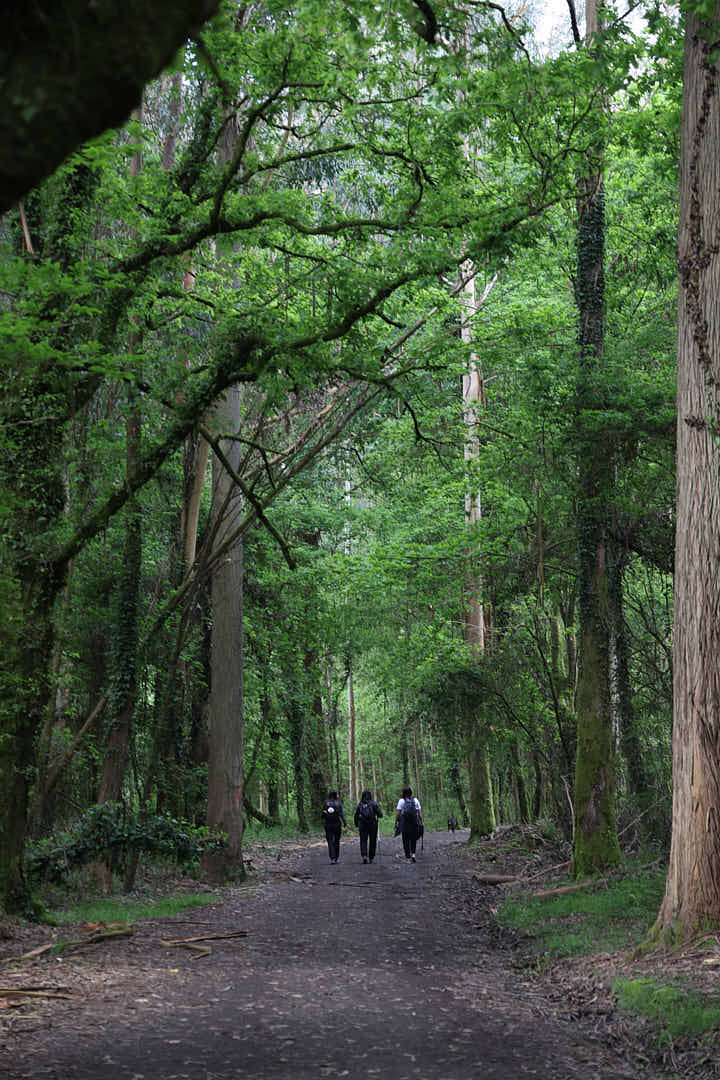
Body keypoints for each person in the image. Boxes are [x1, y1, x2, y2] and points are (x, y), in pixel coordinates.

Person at [353, 788, 383, 863]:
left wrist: (356, 824)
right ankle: (371, 857)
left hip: (362, 825)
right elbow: (380, 814)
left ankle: (364, 856)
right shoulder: (373, 803)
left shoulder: (360, 804)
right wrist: (377, 816)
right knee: (373, 841)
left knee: (363, 840)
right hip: (373, 825)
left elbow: (356, 815)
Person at [395, 786, 423, 862]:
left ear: (403, 793)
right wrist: (422, 822)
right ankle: (413, 854)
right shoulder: (415, 800)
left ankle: (408, 857)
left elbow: (398, 813)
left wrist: (396, 823)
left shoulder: (401, 801)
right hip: (414, 823)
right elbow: (419, 813)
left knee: (405, 840)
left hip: (405, 824)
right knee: (413, 839)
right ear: (411, 793)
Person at [322, 789, 347, 864]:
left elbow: (323, 814)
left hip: (328, 824)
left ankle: (332, 858)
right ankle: (336, 857)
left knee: (330, 841)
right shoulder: (338, 803)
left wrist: (325, 814)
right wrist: (345, 824)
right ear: (335, 795)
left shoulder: (326, 803)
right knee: (336, 841)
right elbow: (341, 814)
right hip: (337, 824)